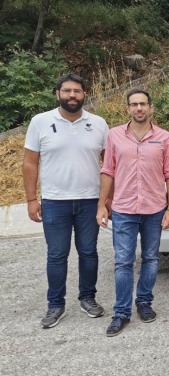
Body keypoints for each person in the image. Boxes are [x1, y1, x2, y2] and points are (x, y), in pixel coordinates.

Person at [23, 74, 109, 328]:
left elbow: (109, 164)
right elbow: (30, 162)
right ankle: (55, 305)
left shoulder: (98, 123)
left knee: (88, 252)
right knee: (57, 255)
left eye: (77, 91)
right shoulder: (40, 122)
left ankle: (88, 298)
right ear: (57, 94)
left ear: (85, 94)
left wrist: (107, 199)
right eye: (67, 91)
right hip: (54, 201)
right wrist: (31, 199)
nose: (72, 95)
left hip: (90, 200)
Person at [96, 89, 169, 337]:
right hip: (124, 209)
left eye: (143, 104)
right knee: (123, 261)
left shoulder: (163, 137)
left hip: (154, 208)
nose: (139, 108)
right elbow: (108, 170)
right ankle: (121, 312)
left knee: (151, 258)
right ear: (128, 108)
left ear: (151, 108)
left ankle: (144, 301)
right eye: (134, 104)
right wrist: (102, 205)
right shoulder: (114, 136)